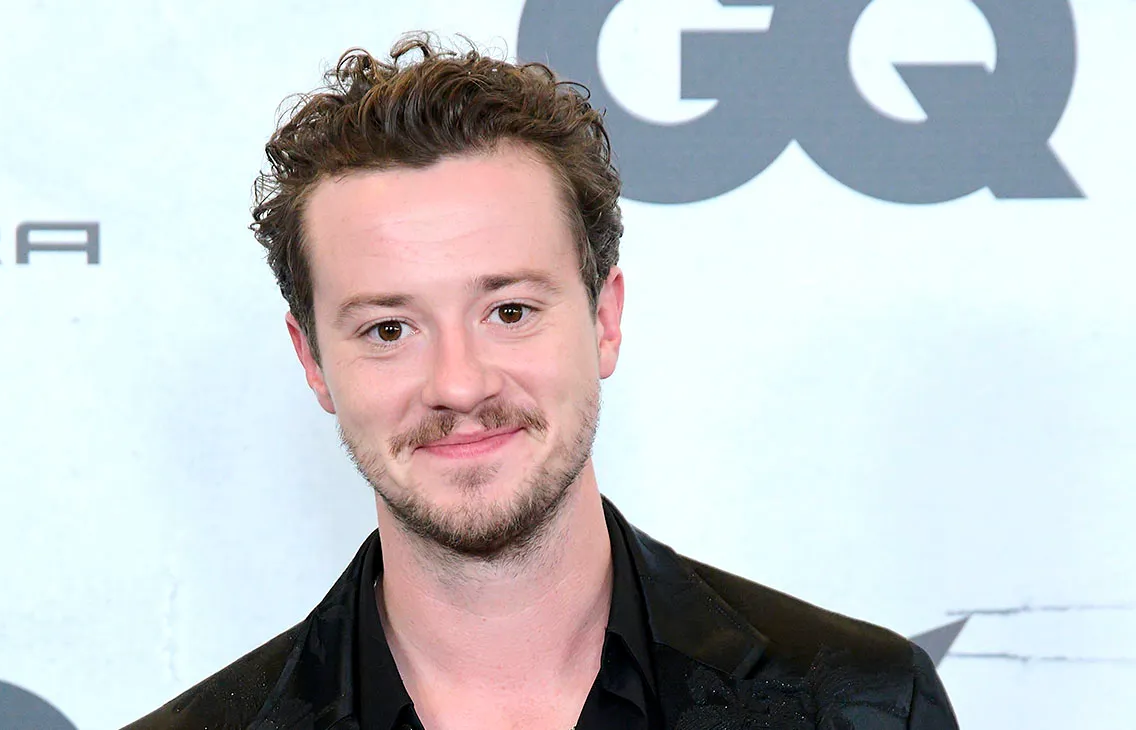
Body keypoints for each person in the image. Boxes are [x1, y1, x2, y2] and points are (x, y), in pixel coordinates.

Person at [124, 34, 960, 730]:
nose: (459, 385)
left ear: (604, 320)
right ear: (312, 362)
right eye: (389, 330)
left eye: (510, 311)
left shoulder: (860, 707)